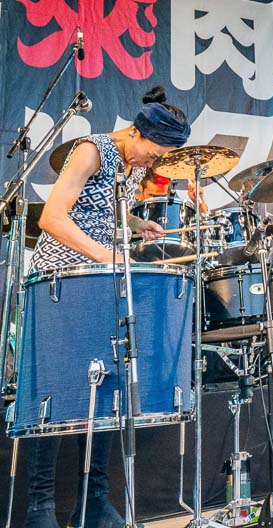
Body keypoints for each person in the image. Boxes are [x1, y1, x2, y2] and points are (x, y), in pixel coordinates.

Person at [28, 86, 190, 528]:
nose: (152, 164)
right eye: (153, 154)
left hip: (100, 280)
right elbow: (52, 217)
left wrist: (136, 223)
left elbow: (100, 211)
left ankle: (93, 500)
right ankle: (40, 506)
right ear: (135, 132)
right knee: (56, 391)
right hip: (61, 279)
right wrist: (105, 255)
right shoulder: (91, 150)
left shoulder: (132, 164)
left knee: (102, 388)